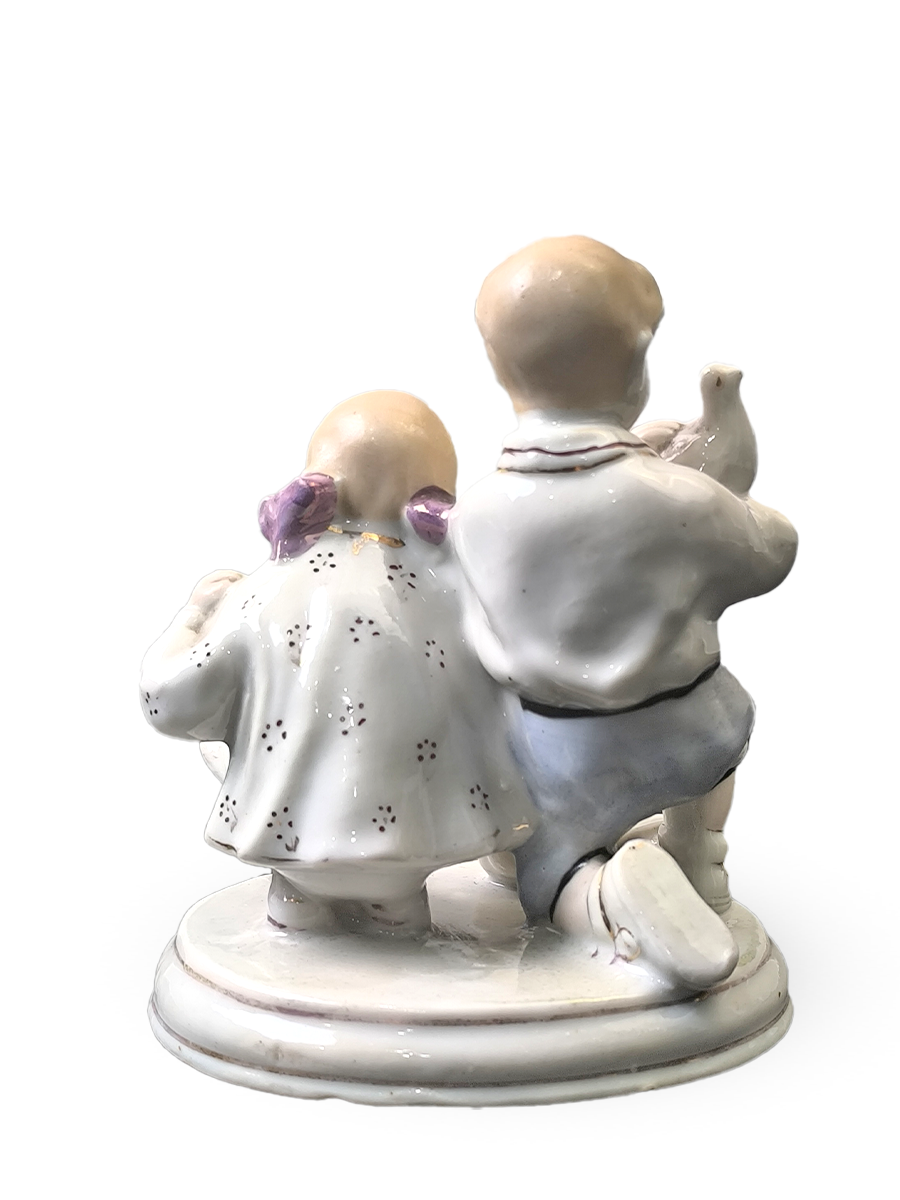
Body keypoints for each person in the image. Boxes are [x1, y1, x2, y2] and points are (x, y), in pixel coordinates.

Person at [450, 236, 797, 964]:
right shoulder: (679, 498)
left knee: (540, 870)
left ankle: (590, 889)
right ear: (639, 362)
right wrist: (704, 489)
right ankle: (696, 854)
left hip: (555, 751)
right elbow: (772, 551)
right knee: (713, 754)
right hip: (688, 727)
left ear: (497, 368)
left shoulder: (474, 513)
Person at [141, 390, 537, 935]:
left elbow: (167, 700)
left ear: (310, 486)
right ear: (435, 505)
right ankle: (394, 919)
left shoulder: (261, 593)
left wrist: (193, 616)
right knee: (403, 940)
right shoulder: (454, 597)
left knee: (289, 943)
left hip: (285, 843)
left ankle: (294, 915)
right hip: (412, 849)